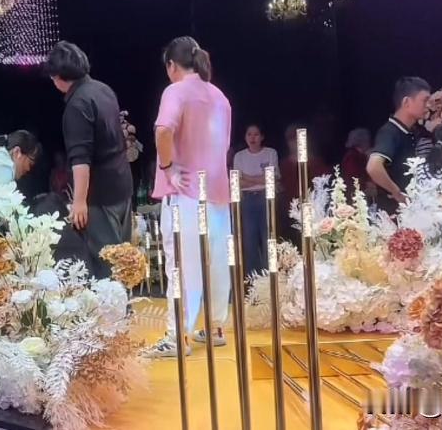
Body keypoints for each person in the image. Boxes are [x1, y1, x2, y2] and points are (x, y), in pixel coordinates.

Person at [143, 36, 232, 358]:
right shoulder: (219, 96)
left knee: (183, 266)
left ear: (172, 65)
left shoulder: (176, 91)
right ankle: (216, 327)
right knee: (216, 264)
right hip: (218, 194)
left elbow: (163, 130)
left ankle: (178, 336)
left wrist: (167, 168)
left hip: (187, 194)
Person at [44, 40, 133, 279]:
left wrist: (79, 201)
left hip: (101, 194)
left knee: (107, 264)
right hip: (123, 183)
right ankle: (125, 302)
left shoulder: (77, 105)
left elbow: (80, 159)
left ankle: (116, 303)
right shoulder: (104, 90)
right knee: (124, 261)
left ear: (58, 76)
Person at [367, 76, 432, 213]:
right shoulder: (390, 132)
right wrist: (396, 192)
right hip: (392, 212)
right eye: (424, 100)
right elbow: (373, 167)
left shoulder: (411, 131)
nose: (428, 106)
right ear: (406, 102)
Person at [233, 124, 279, 280]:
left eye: (256, 134)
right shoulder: (239, 156)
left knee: (268, 238)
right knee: (249, 240)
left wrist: (247, 177)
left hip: (266, 198)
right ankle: (253, 279)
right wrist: (260, 178)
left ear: (262, 137)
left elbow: (272, 177)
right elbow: (237, 181)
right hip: (247, 200)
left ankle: (270, 278)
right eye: (249, 134)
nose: (252, 138)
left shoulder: (270, 153)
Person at [341, 128, 376, 199]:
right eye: (367, 140)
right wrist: (366, 183)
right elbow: (353, 178)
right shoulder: (352, 157)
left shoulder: (361, 156)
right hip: (354, 194)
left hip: (360, 191)